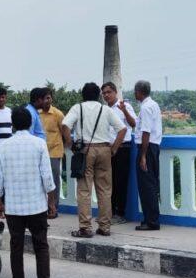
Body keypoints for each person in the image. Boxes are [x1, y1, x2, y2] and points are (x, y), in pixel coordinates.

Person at [0, 107, 57, 278]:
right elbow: (47, 176)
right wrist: (52, 201)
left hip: (14, 207)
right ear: (30, 123)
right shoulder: (39, 144)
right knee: (41, 246)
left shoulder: (3, 146)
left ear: (13, 124)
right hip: (36, 205)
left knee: (16, 247)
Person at [62, 82, 126, 237]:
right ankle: (104, 227)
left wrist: (70, 145)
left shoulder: (78, 108)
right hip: (104, 149)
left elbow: (65, 125)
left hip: (85, 151)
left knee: (84, 190)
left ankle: (85, 227)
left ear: (83, 95)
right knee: (104, 190)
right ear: (99, 95)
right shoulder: (105, 109)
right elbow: (122, 129)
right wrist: (114, 148)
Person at [102, 82, 137, 224]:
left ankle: (120, 213)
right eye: (104, 93)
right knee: (108, 182)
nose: (106, 95)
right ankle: (110, 212)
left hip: (123, 148)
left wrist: (124, 111)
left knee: (120, 181)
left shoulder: (125, 106)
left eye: (109, 92)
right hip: (107, 149)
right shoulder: (104, 109)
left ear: (115, 92)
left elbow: (134, 124)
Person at [133, 80, 162, 231]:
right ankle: (151, 219)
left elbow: (146, 132)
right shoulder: (154, 105)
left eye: (135, 90)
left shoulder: (145, 108)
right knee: (150, 184)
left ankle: (151, 221)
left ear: (139, 91)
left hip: (147, 148)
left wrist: (143, 155)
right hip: (153, 147)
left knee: (147, 186)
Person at [38, 89, 66, 219]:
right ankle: (43, 207)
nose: (46, 101)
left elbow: (64, 132)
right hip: (40, 153)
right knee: (41, 181)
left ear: (52, 99)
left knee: (54, 180)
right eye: (43, 98)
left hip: (54, 151)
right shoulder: (37, 114)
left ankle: (54, 208)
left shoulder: (58, 114)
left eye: (48, 98)